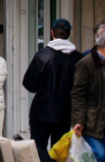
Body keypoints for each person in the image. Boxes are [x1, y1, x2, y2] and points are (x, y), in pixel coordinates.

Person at [24, 18, 83, 161]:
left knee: (38, 147)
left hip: (40, 112)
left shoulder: (42, 56)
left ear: (52, 33)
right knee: (59, 149)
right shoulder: (79, 59)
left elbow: (29, 84)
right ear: (69, 33)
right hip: (64, 113)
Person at [72, 21, 105, 162]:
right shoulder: (86, 63)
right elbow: (78, 94)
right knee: (100, 155)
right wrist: (79, 121)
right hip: (93, 122)